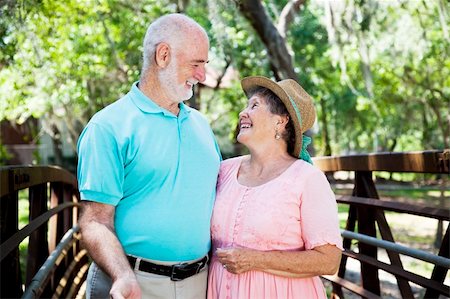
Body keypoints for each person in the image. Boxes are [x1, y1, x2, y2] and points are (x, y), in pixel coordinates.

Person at [77, 13, 221, 299]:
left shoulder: (202, 125)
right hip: (135, 284)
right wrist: (122, 275)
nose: (202, 76)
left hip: (202, 283)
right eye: (196, 64)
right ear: (163, 55)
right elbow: (94, 221)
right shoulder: (108, 126)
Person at [207, 76, 343, 299]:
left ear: (280, 121)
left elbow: (329, 260)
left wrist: (256, 259)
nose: (243, 112)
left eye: (254, 105)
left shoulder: (307, 178)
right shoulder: (225, 170)